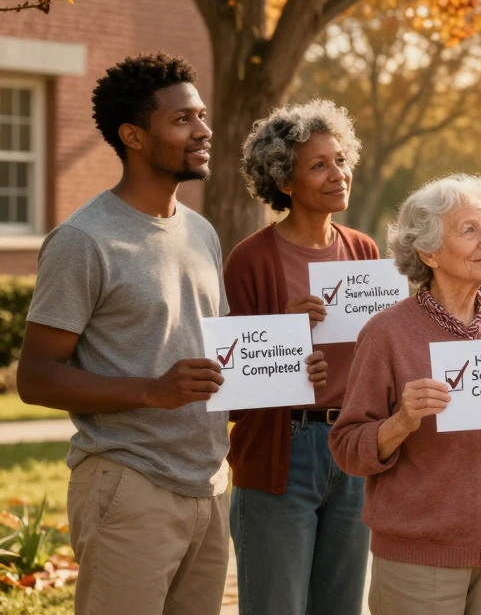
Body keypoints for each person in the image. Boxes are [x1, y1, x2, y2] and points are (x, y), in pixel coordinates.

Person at [14, 52, 321, 615]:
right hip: (129, 482)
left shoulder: (200, 232)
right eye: (182, 120)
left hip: (208, 484)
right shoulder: (84, 239)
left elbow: (214, 353)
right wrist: (153, 390)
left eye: (201, 116)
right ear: (133, 135)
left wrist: (284, 353)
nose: (203, 130)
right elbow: (35, 379)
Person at [330, 174, 481, 615]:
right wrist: (401, 421)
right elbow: (347, 449)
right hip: (419, 559)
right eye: (469, 230)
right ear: (428, 253)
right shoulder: (386, 333)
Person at [223, 100, 378, 614]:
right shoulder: (250, 260)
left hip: (352, 449)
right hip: (280, 451)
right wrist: (285, 337)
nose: (338, 174)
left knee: (341, 606)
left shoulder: (364, 251)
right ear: (284, 181)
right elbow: (234, 385)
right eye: (319, 165)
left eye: (340, 159)